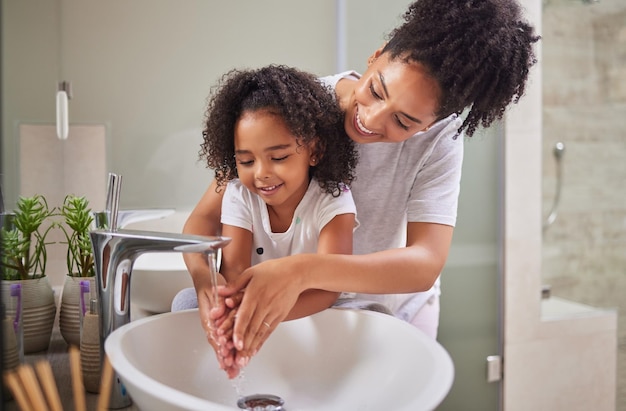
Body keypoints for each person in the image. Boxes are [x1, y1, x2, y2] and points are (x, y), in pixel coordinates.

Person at [181, 0, 540, 375]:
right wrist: (206, 280)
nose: (369, 119)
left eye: (403, 122)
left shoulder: (439, 142)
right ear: (376, 56)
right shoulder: (298, 107)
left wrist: (303, 270)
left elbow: (425, 263)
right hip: (300, 306)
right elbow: (203, 220)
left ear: (431, 124)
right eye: (376, 90)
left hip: (391, 312)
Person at [180, 65, 359, 377]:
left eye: (278, 158)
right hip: (252, 303)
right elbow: (233, 271)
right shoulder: (240, 194)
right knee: (184, 303)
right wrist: (229, 317)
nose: (261, 173)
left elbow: (329, 288)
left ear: (313, 150)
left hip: (314, 308)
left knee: (374, 314)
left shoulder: (333, 199)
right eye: (246, 161)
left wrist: (262, 317)